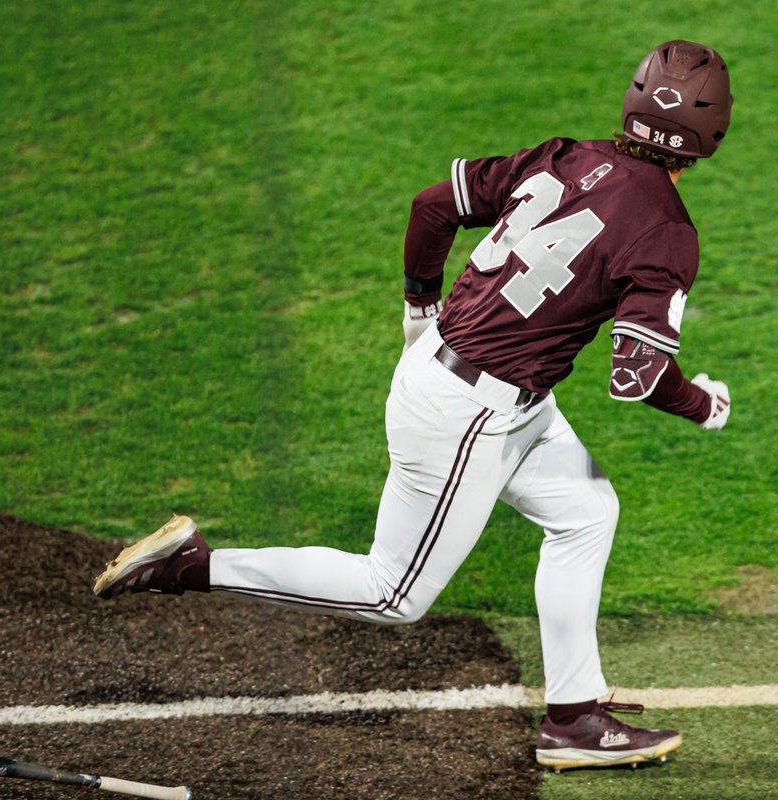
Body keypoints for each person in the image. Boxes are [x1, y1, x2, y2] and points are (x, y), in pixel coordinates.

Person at [93, 39, 733, 772]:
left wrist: (419, 306)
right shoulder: (666, 229)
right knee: (391, 593)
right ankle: (191, 566)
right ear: (711, 132)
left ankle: (573, 717)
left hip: (477, 384)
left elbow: (432, 207)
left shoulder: (564, 156)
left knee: (586, 512)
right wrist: (703, 406)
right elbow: (639, 375)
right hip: (470, 415)